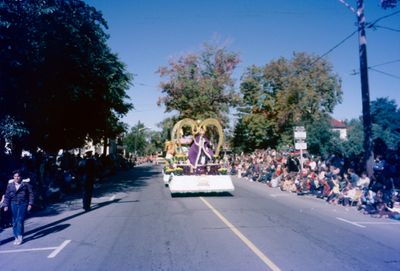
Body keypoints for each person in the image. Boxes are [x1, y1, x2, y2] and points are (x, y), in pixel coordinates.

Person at [3, 170, 34, 245]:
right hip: (13, 204)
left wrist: (30, 204)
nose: (16, 178)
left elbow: (31, 194)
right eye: (15, 176)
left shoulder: (25, 184)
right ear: (13, 177)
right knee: (14, 221)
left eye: (18, 176)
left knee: (20, 219)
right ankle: (16, 236)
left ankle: (20, 236)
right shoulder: (10, 185)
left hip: (22, 203)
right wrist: (6, 205)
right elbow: (7, 196)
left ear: (21, 177)